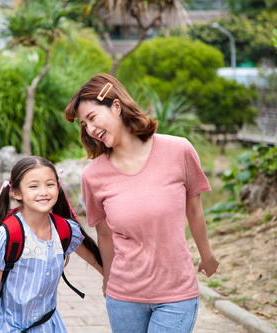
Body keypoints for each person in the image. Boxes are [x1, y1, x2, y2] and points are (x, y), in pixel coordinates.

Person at [64, 73, 220, 333]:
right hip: (124, 297)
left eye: (92, 118)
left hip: (176, 294)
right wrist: (108, 280)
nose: (89, 130)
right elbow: (104, 233)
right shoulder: (93, 176)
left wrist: (207, 256)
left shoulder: (178, 150)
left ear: (116, 106)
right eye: (84, 125)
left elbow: (194, 210)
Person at [0, 156, 103, 333]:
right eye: (33, 186)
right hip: (8, 326)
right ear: (17, 193)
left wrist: (112, 284)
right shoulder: (8, 235)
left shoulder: (65, 230)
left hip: (48, 325)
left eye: (50, 184)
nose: (43, 192)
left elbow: (96, 261)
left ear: (58, 188)